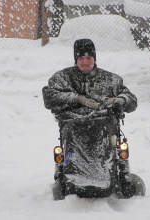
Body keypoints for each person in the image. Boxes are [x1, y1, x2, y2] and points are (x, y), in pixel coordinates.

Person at [42, 39, 138, 198]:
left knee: (111, 140)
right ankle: (72, 176)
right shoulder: (63, 78)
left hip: (104, 127)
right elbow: (49, 97)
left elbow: (131, 100)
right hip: (73, 127)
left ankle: (112, 175)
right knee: (73, 138)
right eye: (81, 58)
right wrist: (76, 99)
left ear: (94, 58)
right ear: (76, 59)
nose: (85, 62)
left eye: (89, 58)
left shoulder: (111, 80)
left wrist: (121, 99)